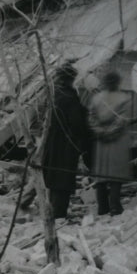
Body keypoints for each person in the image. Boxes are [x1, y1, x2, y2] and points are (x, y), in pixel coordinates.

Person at [40, 61, 91, 220]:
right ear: (70, 79)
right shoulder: (70, 97)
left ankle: (52, 212)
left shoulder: (54, 94)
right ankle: (59, 214)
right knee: (63, 178)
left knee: (53, 178)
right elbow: (77, 124)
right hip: (66, 145)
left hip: (52, 142)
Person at [86, 68, 132, 216]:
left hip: (101, 141)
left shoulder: (96, 98)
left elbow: (91, 119)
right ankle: (115, 206)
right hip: (117, 141)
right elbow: (122, 121)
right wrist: (111, 132)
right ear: (118, 82)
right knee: (115, 175)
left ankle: (102, 207)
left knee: (101, 175)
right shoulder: (124, 98)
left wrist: (101, 131)